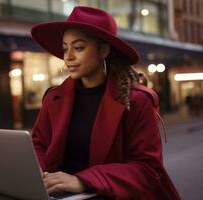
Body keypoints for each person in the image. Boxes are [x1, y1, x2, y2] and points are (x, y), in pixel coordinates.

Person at [31, 6, 181, 199]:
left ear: (103, 50)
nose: (68, 57)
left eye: (78, 47)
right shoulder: (53, 98)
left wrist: (83, 181)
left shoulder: (136, 100)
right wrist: (37, 174)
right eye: (65, 48)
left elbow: (147, 168)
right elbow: (38, 145)